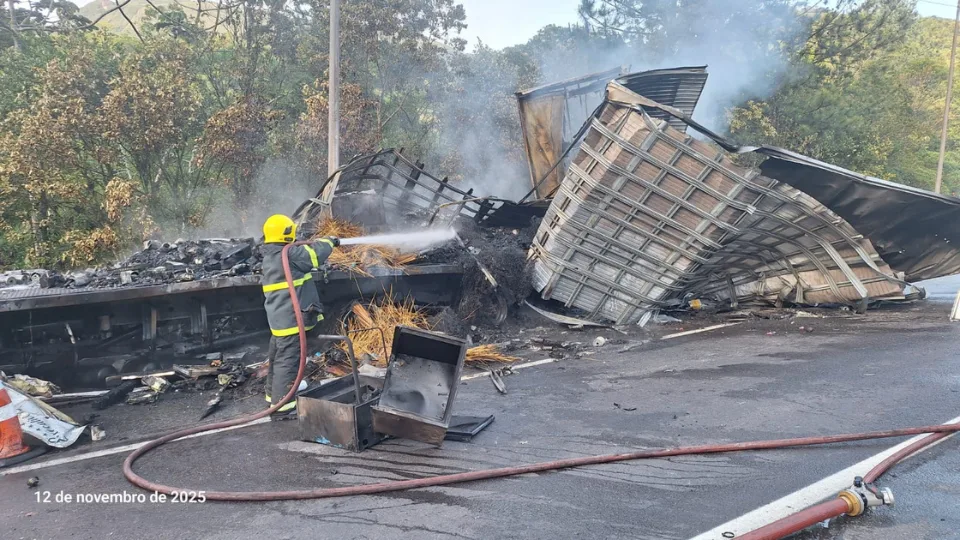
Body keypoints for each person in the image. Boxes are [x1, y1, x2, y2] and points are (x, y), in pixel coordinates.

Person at [260, 214, 339, 417]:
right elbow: (314, 255)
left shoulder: (271, 254)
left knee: (277, 357)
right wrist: (329, 241)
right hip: (291, 319)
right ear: (287, 233)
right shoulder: (290, 254)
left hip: (279, 319)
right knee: (289, 360)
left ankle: (273, 395)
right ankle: (282, 406)